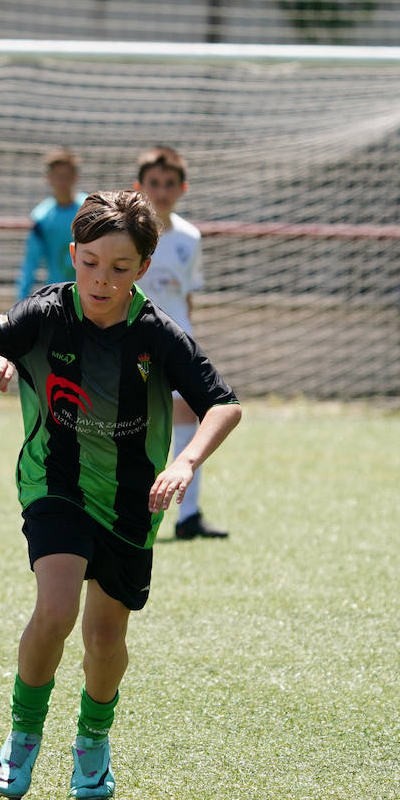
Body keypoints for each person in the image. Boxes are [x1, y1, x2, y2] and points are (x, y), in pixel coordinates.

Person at [0, 190, 242, 800]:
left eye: (120, 268)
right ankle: (23, 735)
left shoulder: (157, 334)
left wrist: (186, 462)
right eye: (90, 262)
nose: (101, 279)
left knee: (104, 636)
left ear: (143, 268)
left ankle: (93, 738)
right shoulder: (43, 313)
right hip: (54, 483)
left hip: (130, 501)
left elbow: (223, 405)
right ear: (72, 254)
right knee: (57, 607)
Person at [133, 145, 227, 540]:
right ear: (139, 187)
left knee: (192, 421)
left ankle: (188, 515)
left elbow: (187, 295)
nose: (162, 191)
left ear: (183, 188)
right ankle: (132, 508)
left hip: (177, 343)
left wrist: (189, 338)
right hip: (134, 343)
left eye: (170, 184)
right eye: (154, 183)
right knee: (135, 426)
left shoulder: (190, 237)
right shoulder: (130, 234)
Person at [16, 149, 88, 301]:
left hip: (91, 293)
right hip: (59, 297)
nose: (62, 182)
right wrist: (20, 302)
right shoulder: (41, 218)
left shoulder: (89, 209)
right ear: (49, 178)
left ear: (75, 177)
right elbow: (30, 263)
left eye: (66, 176)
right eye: (58, 177)